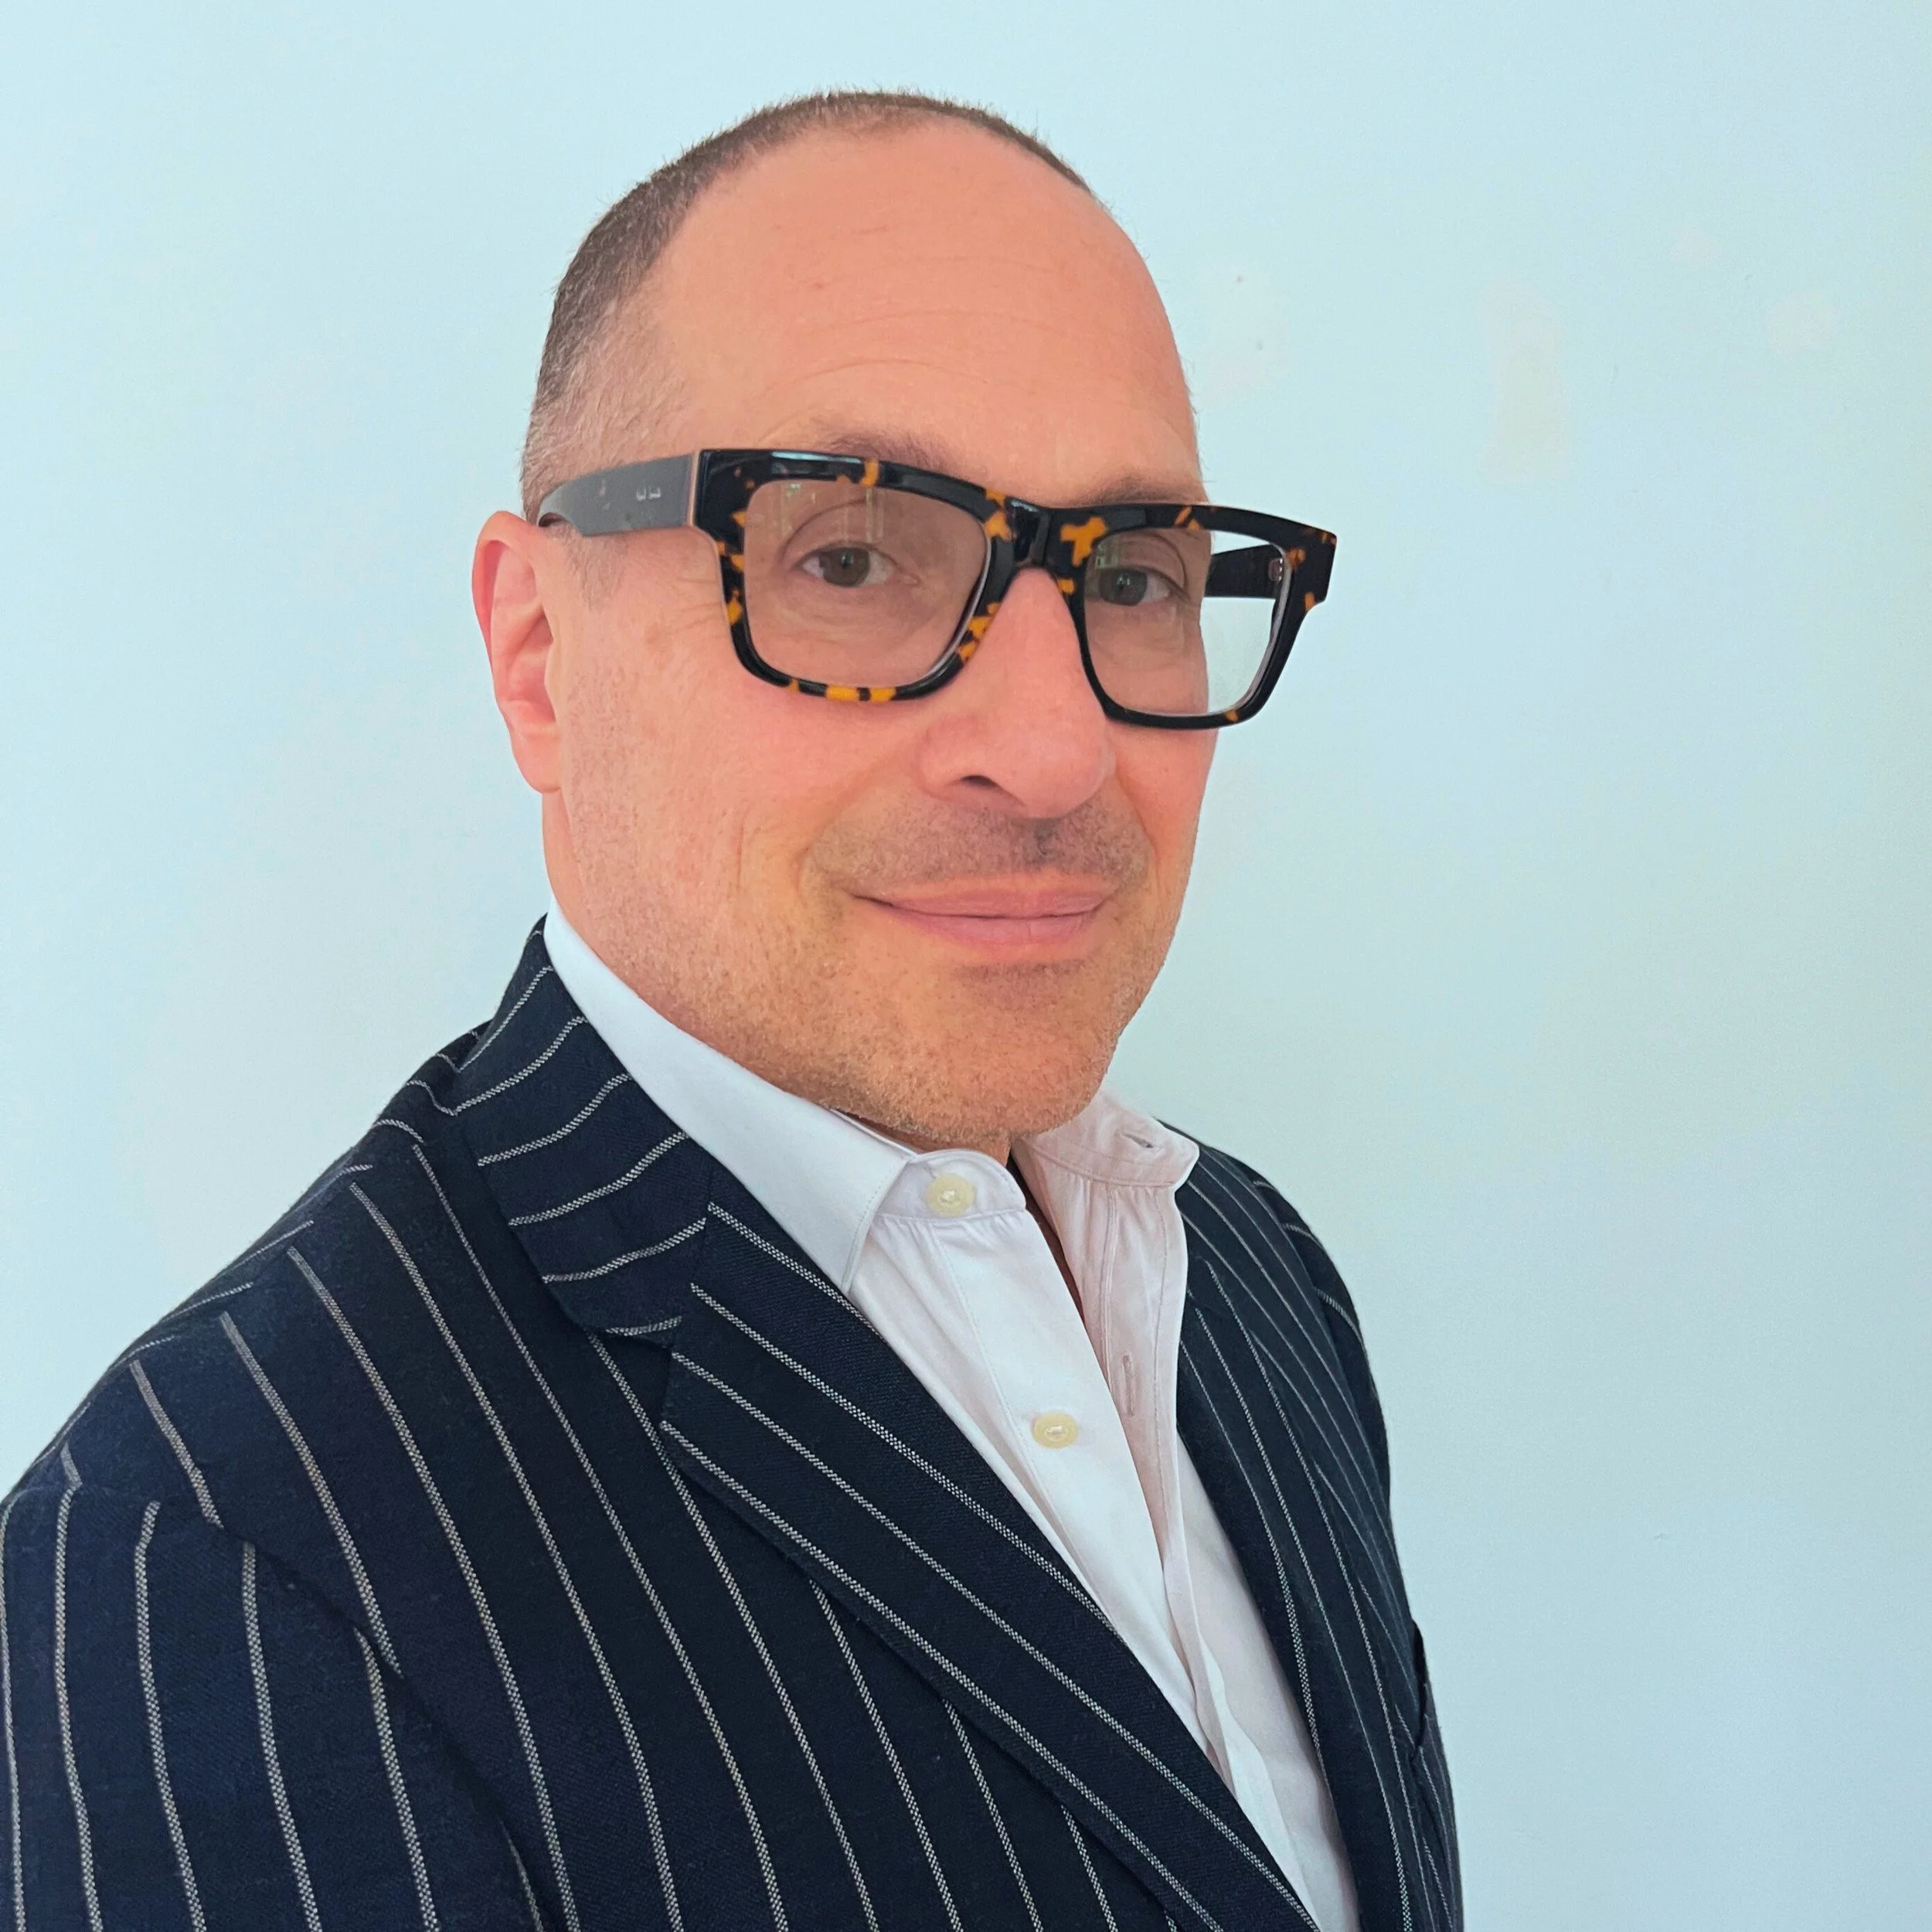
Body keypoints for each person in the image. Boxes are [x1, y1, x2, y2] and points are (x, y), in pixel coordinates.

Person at [0, 90, 1458, 1932]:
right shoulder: (214, 1554)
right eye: (847, 556)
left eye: (1136, 576)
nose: (1053, 746)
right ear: (540, 655)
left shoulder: (1247, 1276)